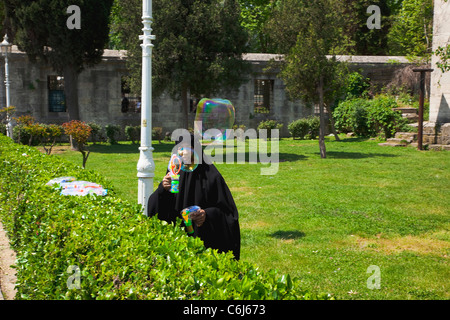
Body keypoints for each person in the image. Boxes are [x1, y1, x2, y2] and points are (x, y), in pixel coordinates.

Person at [147, 134, 241, 260]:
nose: (183, 152)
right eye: (179, 148)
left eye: (188, 148)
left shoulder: (212, 177)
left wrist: (207, 215)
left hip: (204, 243)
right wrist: (162, 190)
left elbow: (229, 215)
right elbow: (155, 209)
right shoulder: (174, 175)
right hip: (177, 247)